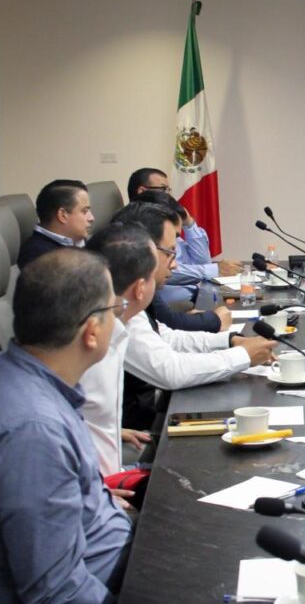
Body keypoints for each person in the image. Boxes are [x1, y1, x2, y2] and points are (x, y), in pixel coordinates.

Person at [0, 248, 132, 604]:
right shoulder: (33, 431)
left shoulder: (20, 374)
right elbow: (57, 591)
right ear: (91, 331)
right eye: (114, 308)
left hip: (109, 556)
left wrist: (91, 498)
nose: (118, 316)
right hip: (93, 603)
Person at [110, 202, 276, 429]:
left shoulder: (128, 294)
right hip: (140, 427)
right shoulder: (117, 304)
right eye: (170, 252)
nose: (175, 265)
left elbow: (165, 337)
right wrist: (243, 355)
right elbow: (170, 371)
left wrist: (231, 341)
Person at [80, 223, 158, 477]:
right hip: (100, 490)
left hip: (111, 475)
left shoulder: (114, 328)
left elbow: (82, 413)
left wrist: (113, 429)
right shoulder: (89, 345)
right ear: (140, 288)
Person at [127, 167, 241, 303]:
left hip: (199, 294)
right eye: (163, 189)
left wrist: (188, 222)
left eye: (169, 190)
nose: (169, 195)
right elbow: (159, 268)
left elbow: (203, 261)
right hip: (176, 305)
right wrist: (213, 270)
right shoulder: (136, 226)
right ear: (142, 191)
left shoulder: (165, 221)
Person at [132, 189, 229, 333]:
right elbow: (169, 322)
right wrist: (212, 321)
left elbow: (203, 261)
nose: (174, 265)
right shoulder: (137, 285)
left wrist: (188, 222)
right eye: (168, 253)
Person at [17, 179, 94, 268]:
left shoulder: (77, 240)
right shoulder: (40, 256)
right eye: (84, 211)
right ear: (62, 215)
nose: (91, 218)